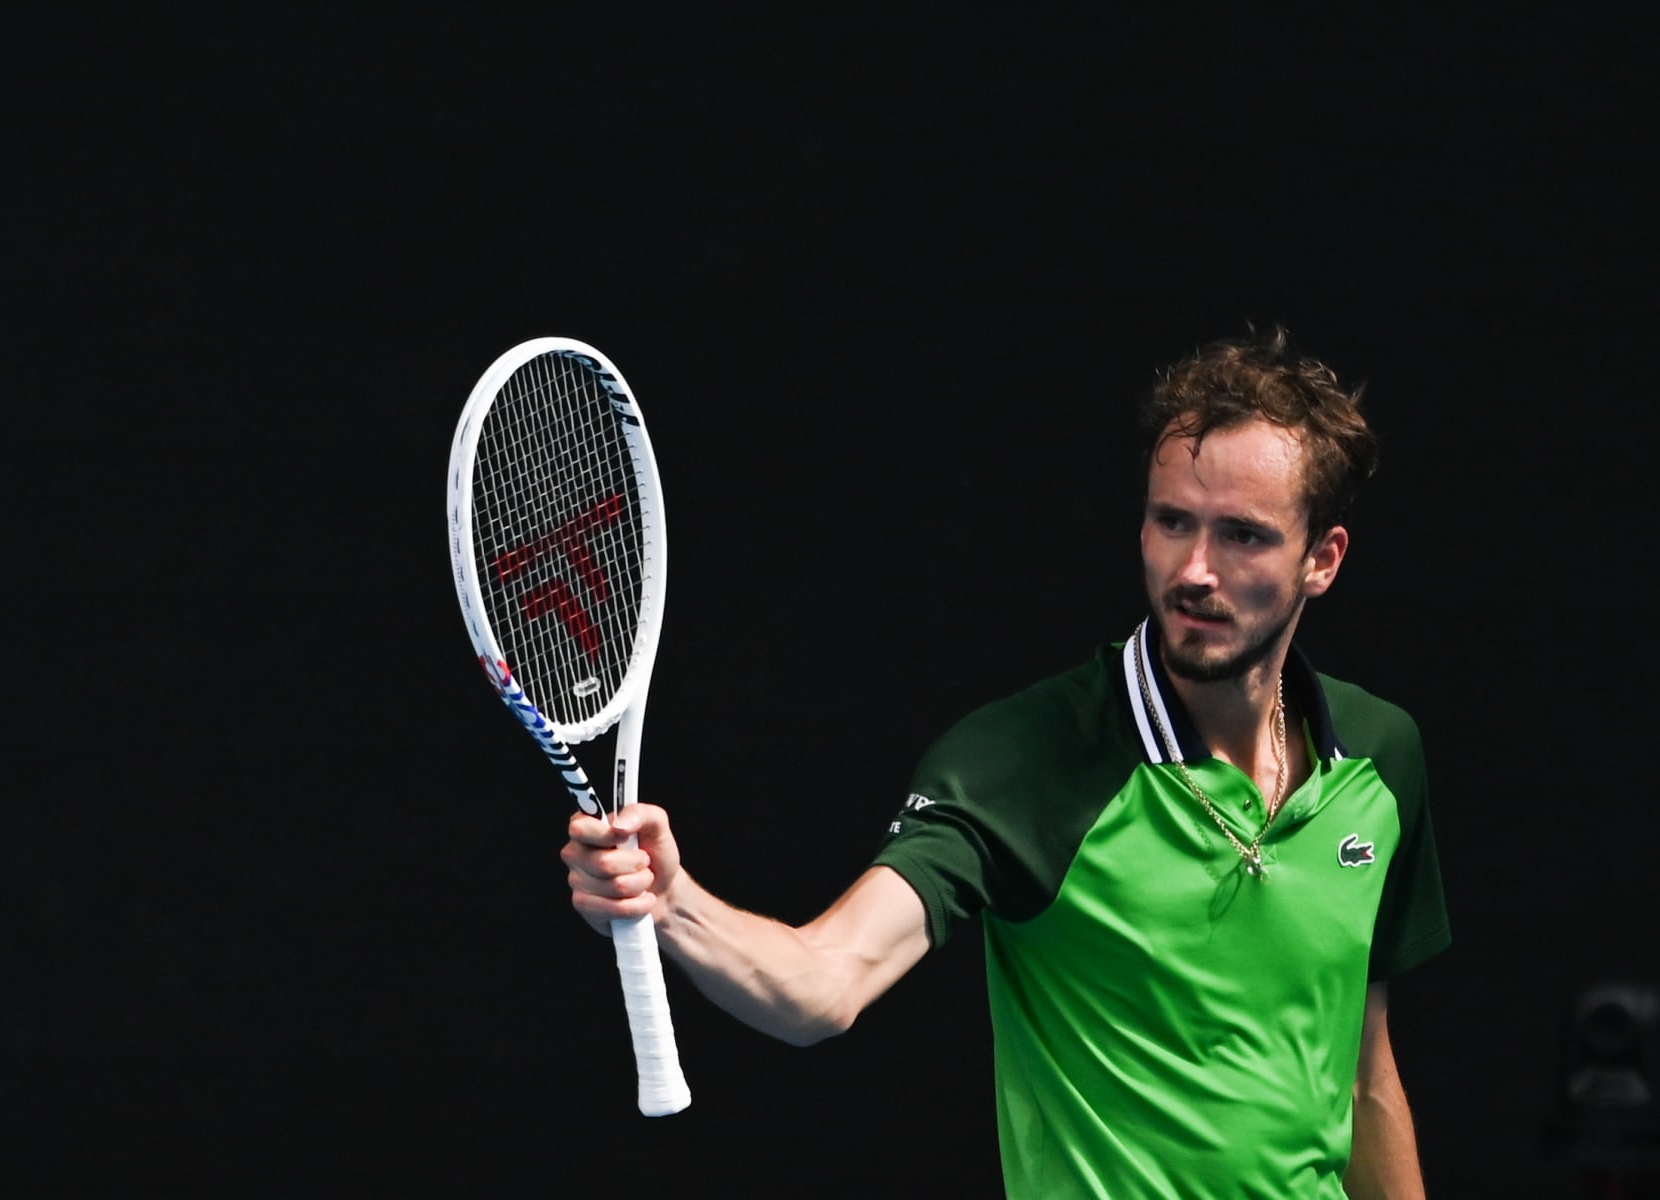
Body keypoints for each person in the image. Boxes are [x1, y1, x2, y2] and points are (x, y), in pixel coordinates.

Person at [563, 327, 1450, 1198]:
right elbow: (824, 983)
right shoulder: (1020, 763)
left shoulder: (1378, 758)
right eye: (1171, 522)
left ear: (1322, 560)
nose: (1194, 571)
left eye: (1244, 537)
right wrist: (672, 902)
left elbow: (1363, 1072)